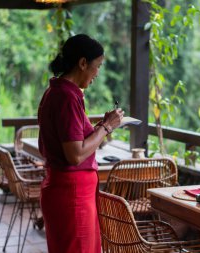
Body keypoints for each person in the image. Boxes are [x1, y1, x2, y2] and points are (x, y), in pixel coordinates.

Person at [38, 34, 123, 253]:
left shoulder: (56, 92)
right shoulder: (66, 97)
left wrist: (101, 126)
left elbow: (58, 142)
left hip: (68, 191)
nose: (97, 74)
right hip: (71, 195)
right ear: (83, 63)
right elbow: (75, 155)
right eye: (97, 66)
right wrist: (106, 127)